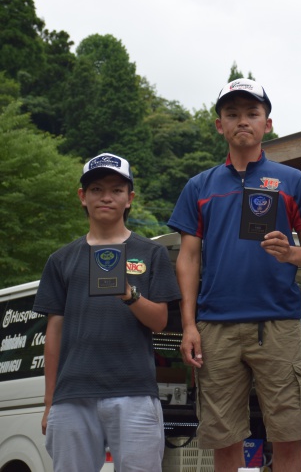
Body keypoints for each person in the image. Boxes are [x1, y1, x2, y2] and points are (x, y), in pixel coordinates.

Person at [168, 79, 301, 472]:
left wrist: (290, 252)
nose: (243, 121)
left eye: (252, 113)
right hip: (215, 326)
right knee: (224, 439)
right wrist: (188, 325)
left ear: (267, 123)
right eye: (232, 114)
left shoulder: (292, 181)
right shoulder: (198, 186)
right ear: (219, 125)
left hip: (278, 322)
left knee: (289, 433)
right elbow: (188, 259)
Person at [34, 153, 181, 472]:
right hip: (72, 393)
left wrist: (128, 294)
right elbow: (54, 333)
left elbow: (160, 322)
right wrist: (49, 403)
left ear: (130, 199)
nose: (106, 197)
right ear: (82, 197)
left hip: (134, 390)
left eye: (116, 190)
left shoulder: (151, 253)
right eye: (97, 189)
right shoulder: (61, 260)